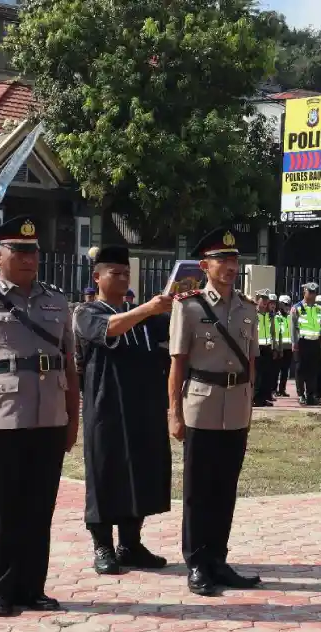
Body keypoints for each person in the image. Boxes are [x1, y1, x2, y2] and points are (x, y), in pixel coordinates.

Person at [0, 215, 79, 617]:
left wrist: (72, 419)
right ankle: (1, 587)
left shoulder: (57, 300)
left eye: (33, 251)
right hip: (1, 420)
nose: (28, 258)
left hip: (49, 418)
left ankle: (32, 587)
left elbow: (69, 364)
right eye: (19, 251)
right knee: (2, 507)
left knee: (39, 508)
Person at [168, 227, 260, 597]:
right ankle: (197, 562)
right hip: (201, 406)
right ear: (205, 265)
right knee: (198, 489)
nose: (230, 266)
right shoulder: (188, 306)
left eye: (234, 259)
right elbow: (178, 364)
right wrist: (174, 412)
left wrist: (249, 406)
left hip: (236, 406)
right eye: (222, 260)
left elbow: (251, 361)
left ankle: (218, 560)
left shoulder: (248, 308)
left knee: (225, 488)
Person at [74, 245, 173, 576]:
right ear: (97, 277)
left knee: (141, 472)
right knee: (105, 473)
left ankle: (131, 544)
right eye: (115, 273)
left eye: (126, 273)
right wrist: (147, 308)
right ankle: (102, 545)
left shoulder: (144, 316)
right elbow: (111, 328)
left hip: (144, 406)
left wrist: (182, 300)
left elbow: (174, 329)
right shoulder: (87, 312)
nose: (122, 278)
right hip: (106, 408)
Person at [290, 282, 321, 406]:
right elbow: (293, 327)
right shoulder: (297, 308)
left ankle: (311, 396)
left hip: (315, 342)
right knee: (300, 370)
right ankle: (301, 395)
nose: (312, 295)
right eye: (310, 292)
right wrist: (294, 342)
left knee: (313, 370)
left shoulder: (319, 308)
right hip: (302, 342)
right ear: (304, 292)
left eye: (314, 293)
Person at [253, 291, 276, 408]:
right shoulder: (253, 314)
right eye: (263, 299)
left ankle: (264, 398)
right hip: (257, 347)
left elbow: (272, 332)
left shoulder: (269, 315)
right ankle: (256, 398)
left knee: (267, 374)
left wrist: (274, 347)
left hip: (267, 347)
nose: (265, 301)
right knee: (258, 375)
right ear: (257, 300)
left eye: (266, 299)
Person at [274, 295, 293, 397]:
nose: (287, 306)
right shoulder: (276, 317)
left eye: (288, 304)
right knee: (276, 370)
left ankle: (282, 389)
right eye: (285, 304)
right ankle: (274, 389)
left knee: (285, 370)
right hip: (279, 347)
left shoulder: (290, 317)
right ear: (280, 305)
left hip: (289, 347)